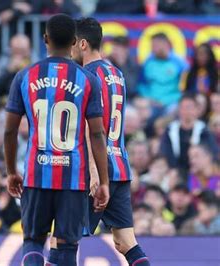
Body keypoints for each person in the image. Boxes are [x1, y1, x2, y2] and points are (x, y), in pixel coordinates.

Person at [4, 13, 110, 266]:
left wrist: (11, 171)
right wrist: (103, 181)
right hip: (73, 179)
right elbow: (97, 133)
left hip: (36, 172)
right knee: (67, 245)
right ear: (75, 41)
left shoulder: (24, 76)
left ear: (45, 39)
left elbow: (9, 131)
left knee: (32, 239)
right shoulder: (88, 80)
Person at [48, 17, 150, 266]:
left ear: (82, 44)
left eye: (72, 43)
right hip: (120, 168)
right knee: (126, 241)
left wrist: (94, 172)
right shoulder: (117, 74)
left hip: (94, 170)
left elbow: (88, 127)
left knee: (62, 239)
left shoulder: (84, 76)